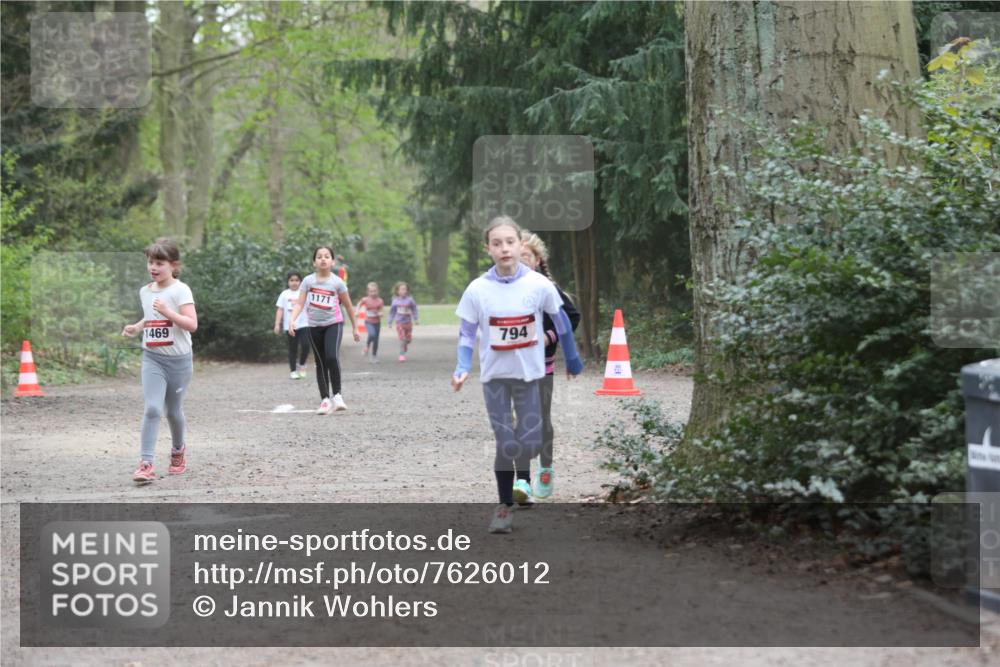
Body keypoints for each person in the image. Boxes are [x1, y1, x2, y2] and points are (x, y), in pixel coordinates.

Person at [452, 216, 583, 533]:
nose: (504, 248)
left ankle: (523, 479)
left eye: (509, 242)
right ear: (488, 249)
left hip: (530, 377)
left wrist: (574, 359)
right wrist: (461, 366)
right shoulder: (477, 289)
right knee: (505, 442)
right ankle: (503, 507)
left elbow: (562, 321)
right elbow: (467, 333)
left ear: (520, 245)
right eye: (496, 243)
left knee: (531, 441)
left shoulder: (539, 285)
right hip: (495, 378)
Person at [121, 238, 198, 484]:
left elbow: (191, 324)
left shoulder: (180, 290)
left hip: (179, 361)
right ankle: (146, 463)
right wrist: (137, 326)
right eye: (150, 262)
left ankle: (178, 450)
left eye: (159, 263)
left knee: (173, 411)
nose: (153, 267)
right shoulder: (145, 291)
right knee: (153, 408)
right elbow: (150, 317)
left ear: (173, 265)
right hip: (152, 358)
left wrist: (169, 312)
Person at [519, 231, 580, 500]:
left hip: (542, 366)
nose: (521, 262)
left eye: (526, 257)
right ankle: (521, 481)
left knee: (542, 419)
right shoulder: (503, 290)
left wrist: (549, 337)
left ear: (537, 260)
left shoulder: (547, 287)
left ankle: (545, 468)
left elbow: (572, 317)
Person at [289, 246, 360, 414]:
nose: (323, 259)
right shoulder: (308, 281)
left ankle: (337, 396)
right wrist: (292, 320)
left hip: (333, 323)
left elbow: (349, 306)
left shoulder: (337, 282)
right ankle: (325, 400)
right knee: (320, 363)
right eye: (319, 256)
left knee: (331, 357)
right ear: (314, 262)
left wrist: (356, 327)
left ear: (332, 261)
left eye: (326, 256)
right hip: (313, 325)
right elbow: (299, 303)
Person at [274, 271, 310, 379]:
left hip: (304, 324)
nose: (294, 283)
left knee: (306, 345)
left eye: (297, 280)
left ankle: (302, 364)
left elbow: (310, 307)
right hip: (290, 325)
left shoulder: (304, 293)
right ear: (288, 282)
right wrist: (277, 324)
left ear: (300, 281)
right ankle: (293, 371)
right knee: (292, 348)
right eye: (292, 280)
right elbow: (280, 310)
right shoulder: (284, 294)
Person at [388, 282, 419, 362]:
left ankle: (405, 345)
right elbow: (392, 312)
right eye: (402, 289)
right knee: (403, 339)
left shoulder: (410, 300)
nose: (404, 291)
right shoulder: (395, 301)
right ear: (397, 291)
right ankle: (402, 354)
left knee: (408, 340)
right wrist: (390, 322)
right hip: (399, 323)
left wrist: (416, 319)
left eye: (405, 289)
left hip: (408, 323)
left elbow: (414, 309)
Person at [356, 282, 384, 363]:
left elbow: (381, 311)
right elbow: (359, 304)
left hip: (377, 323)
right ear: (368, 292)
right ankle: (367, 346)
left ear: (378, 291)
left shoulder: (380, 301)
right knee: (372, 334)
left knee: (376, 340)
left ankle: (374, 356)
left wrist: (380, 313)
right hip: (368, 322)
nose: (373, 293)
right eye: (371, 291)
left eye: (375, 291)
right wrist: (357, 311)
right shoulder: (365, 299)